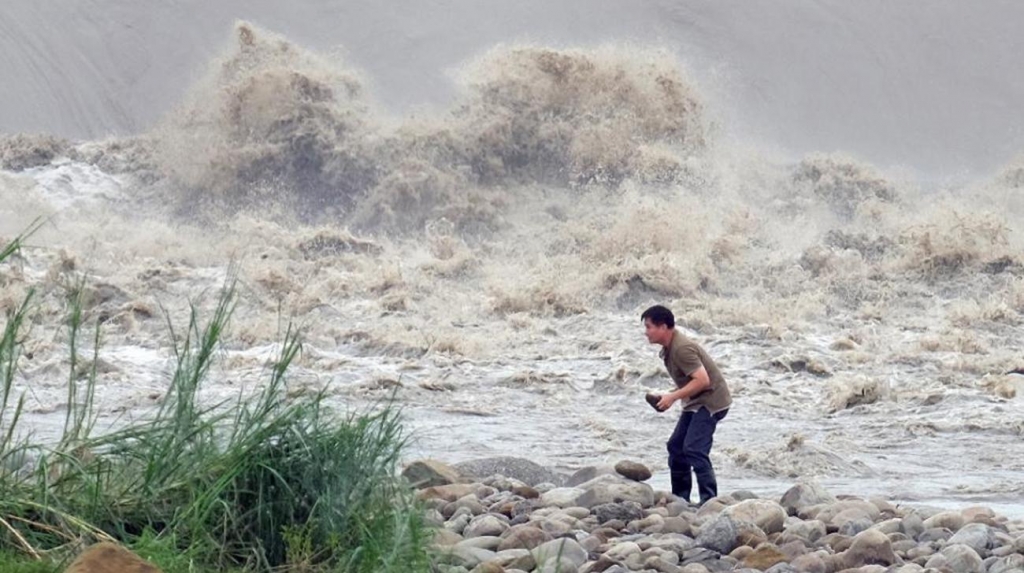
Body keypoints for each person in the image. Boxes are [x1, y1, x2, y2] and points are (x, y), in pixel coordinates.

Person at [641, 305, 731, 505]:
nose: (645, 332)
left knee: (694, 449)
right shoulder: (669, 347)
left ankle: (710, 501)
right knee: (676, 446)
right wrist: (668, 397)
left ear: (663, 327)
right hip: (696, 401)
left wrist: (672, 397)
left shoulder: (682, 348)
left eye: (649, 327)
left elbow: (702, 380)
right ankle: (681, 498)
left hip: (711, 401)